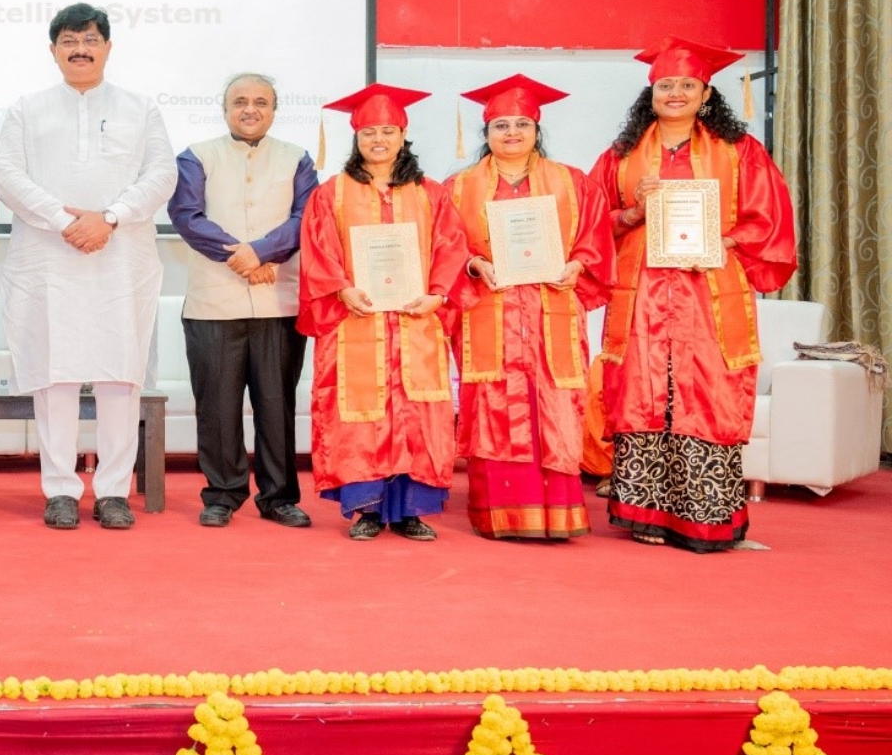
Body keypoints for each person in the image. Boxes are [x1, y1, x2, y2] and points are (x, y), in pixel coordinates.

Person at [588, 36, 796, 553]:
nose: (675, 93)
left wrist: (726, 240)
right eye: (665, 85)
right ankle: (646, 515)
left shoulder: (740, 152)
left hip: (709, 291)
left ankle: (706, 517)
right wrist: (631, 213)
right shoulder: (620, 157)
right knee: (643, 392)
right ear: (651, 93)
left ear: (706, 94)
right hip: (642, 293)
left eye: (687, 84)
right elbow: (588, 225)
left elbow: (768, 219)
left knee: (707, 390)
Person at [0, 3, 177, 530]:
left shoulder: (140, 108)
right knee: (56, 377)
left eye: (91, 39)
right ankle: (60, 490)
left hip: (121, 259)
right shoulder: (27, 109)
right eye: (69, 41)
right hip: (49, 258)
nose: (80, 49)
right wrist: (63, 220)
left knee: (121, 377)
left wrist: (110, 218)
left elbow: (161, 173)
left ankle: (114, 491)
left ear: (108, 47)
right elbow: (8, 174)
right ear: (52, 50)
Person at [297, 84, 468, 542]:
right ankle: (368, 510)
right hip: (357, 320)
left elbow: (451, 247)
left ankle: (411, 511)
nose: (378, 139)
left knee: (417, 411)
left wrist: (438, 295)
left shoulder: (431, 193)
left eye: (388, 131)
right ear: (356, 138)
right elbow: (318, 251)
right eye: (369, 132)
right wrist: (342, 288)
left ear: (403, 134)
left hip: (414, 320)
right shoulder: (331, 194)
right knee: (361, 415)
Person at [446, 74, 614, 541]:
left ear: (537, 129)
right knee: (494, 403)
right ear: (486, 133)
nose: (512, 132)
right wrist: (474, 263)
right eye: (500, 125)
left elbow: (595, 241)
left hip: (550, 310)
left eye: (522, 124)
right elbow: (444, 247)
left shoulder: (572, 183)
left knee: (554, 402)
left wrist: (578, 265)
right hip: (490, 309)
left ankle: (556, 515)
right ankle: (498, 515)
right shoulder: (458, 188)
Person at [169, 72, 316, 528]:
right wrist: (247, 257)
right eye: (240, 101)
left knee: (276, 404)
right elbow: (187, 216)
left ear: (274, 109)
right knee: (217, 406)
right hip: (213, 302)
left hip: (278, 302)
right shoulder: (196, 156)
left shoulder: (297, 158)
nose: (250, 109)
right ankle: (222, 494)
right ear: (224, 108)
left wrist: (263, 252)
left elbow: (306, 217)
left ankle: (279, 497)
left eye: (260, 102)